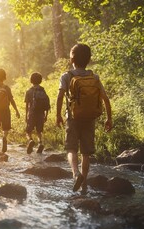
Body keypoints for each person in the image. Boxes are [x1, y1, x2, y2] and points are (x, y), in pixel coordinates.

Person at [56, 44, 113, 192]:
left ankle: (76, 174)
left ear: (72, 58)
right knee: (86, 152)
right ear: (89, 59)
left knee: (71, 149)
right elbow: (105, 99)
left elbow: (60, 96)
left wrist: (57, 115)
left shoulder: (67, 76)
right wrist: (109, 118)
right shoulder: (94, 77)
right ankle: (84, 184)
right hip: (90, 118)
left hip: (72, 118)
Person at [25, 72, 50, 154]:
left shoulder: (29, 91)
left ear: (31, 80)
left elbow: (27, 105)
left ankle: (31, 140)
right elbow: (47, 104)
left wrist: (26, 116)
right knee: (39, 131)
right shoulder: (43, 90)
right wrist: (46, 116)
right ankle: (40, 143)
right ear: (40, 80)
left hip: (32, 113)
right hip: (41, 114)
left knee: (28, 131)